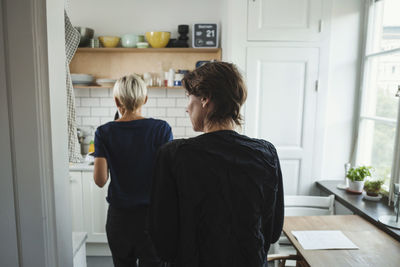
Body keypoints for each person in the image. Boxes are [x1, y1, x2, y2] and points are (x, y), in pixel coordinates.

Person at [149, 62, 284, 267]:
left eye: (189, 98)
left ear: (205, 98)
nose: (187, 108)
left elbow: (162, 240)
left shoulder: (174, 155)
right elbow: (272, 232)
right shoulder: (266, 154)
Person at [93, 74, 173, 267]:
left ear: (116, 100)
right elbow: (168, 176)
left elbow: (100, 180)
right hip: (152, 217)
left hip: (119, 219)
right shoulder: (161, 129)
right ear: (145, 99)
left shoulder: (104, 132)